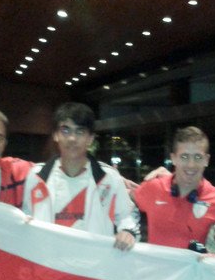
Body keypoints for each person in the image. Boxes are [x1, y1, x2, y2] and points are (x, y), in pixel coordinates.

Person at [22, 102, 139, 251]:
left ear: (90, 138)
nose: (72, 138)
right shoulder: (36, 177)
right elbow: (26, 217)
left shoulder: (109, 178)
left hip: (91, 268)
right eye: (65, 130)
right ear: (56, 135)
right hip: (49, 268)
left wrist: (127, 231)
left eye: (79, 132)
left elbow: (127, 216)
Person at [133, 126, 215, 254]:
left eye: (198, 157)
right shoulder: (153, 188)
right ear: (173, 158)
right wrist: (127, 230)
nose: (191, 164)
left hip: (194, 274)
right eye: (184, 157)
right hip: (154, 273)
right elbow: (126, 199)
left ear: (206, 160)